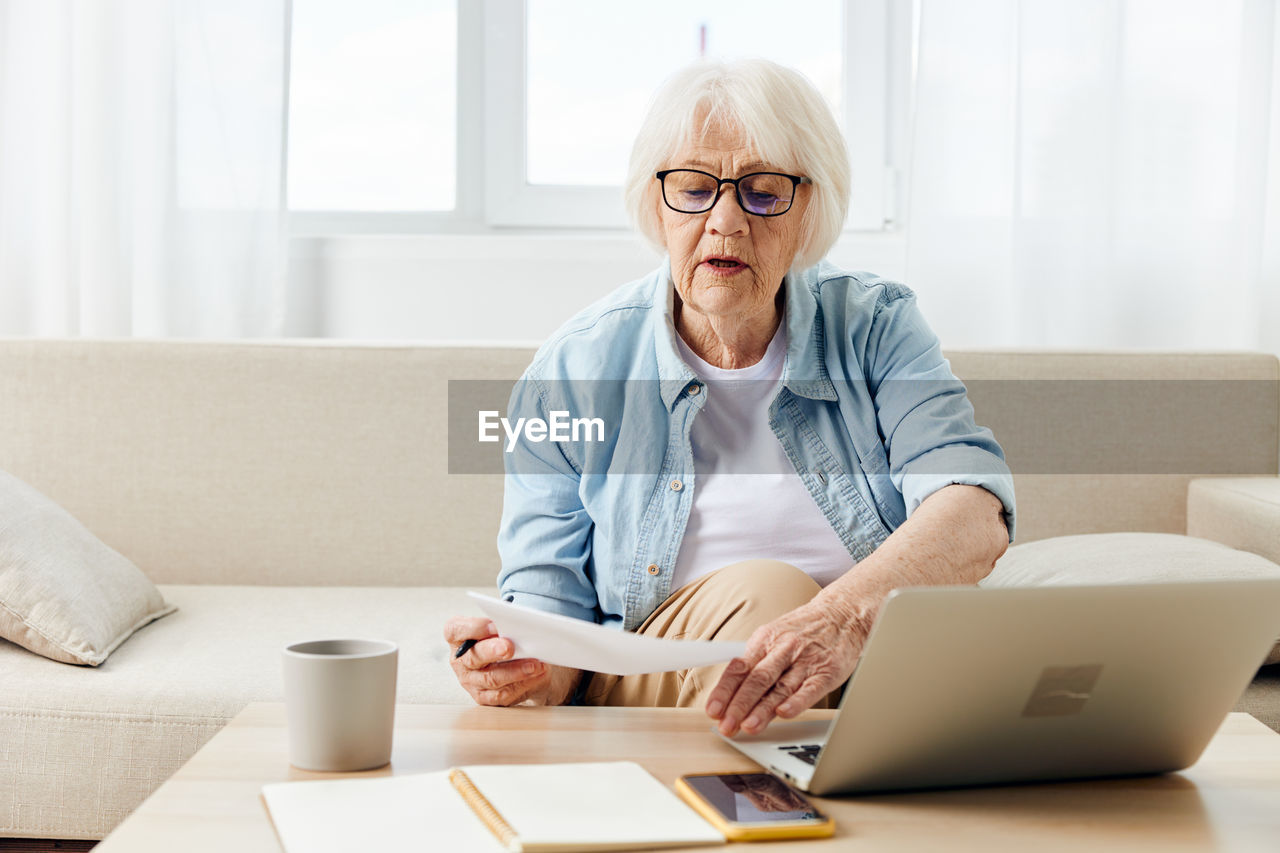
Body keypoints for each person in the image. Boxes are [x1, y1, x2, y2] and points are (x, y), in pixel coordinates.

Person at [445, 59, 1014, 737]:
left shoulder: (876, 326)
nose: (725, 221)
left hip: (870, 659)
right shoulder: (576, 368)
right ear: (656, 205)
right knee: (766, 599)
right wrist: (521, 663)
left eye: (764, 193)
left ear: (811, 211)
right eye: (692, 188)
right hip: (656, 676)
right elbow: (552, 619)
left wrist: (843, 619)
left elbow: (973, 508)